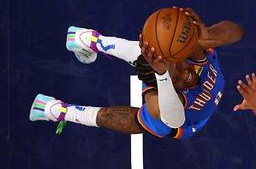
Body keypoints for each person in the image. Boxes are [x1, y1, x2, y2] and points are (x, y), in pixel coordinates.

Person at [29, 8, 243, 138]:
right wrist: (163, 77)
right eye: (177, 77)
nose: (185, 73)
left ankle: (90, 40)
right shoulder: (158, 101)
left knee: (153, 51)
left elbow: (237, 31)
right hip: (181, 116)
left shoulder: (189, 52)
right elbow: (175, 120)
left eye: (179, 65)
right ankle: (58, 110)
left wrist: (208, 35)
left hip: (164, 77)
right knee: (130, 121)